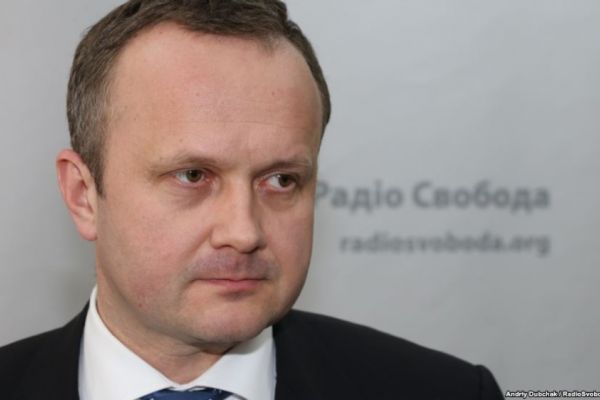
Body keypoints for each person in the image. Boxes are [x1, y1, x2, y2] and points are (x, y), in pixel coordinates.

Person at [0, 1, 504, 399]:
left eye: (281, 180)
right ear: (83, 195)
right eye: (193, 176)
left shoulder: (448, 392)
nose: (244, 232)